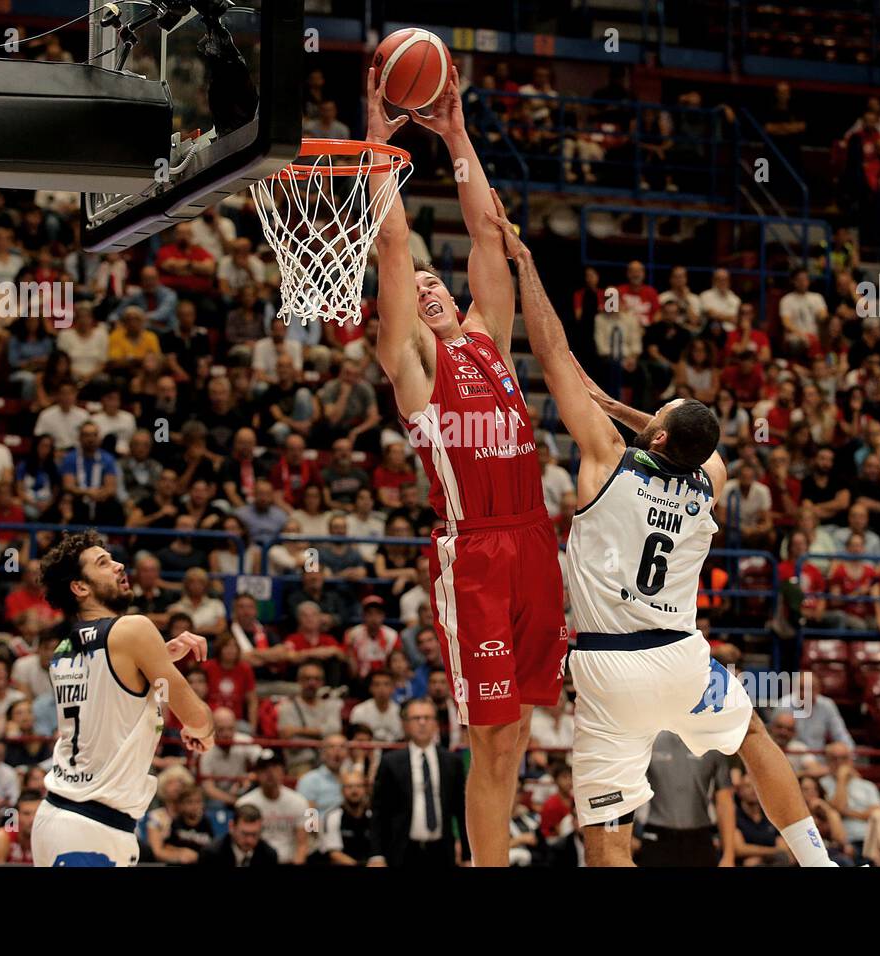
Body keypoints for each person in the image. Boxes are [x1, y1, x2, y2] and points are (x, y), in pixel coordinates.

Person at [483, 192, 835, 868]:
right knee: (754, 736)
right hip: (681, 656)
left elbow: (553, 353)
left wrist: (525, 261)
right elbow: (691, 443)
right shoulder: (712, 482)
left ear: (657, 432)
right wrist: (625, 408)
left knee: (609, 828)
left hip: (608, 663)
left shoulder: (606, 462)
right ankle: (819, 862)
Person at [367, 65, 566, 867]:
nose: (428, 286)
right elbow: (392, 245)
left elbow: (491, 239)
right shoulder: (411, 366)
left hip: (536, 542)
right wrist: (379, 142)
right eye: (416, 290)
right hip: (476, 551)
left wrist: (455, 133)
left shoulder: (487, 340)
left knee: (517, 736)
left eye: (435, 282)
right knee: (487, 739)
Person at [31, 530, 214, 866]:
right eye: (103, 562)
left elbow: (113, 689)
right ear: (80, 587)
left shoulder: (63, 650)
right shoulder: (134, 629)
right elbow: (198, 719)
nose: (117, 565)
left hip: (66, 817)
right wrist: (202, 731)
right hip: (90, 825)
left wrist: (159, 657)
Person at [367, 698, 471, 868]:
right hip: (402, 850)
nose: (422, 723)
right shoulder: (390, 762)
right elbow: (379, 812)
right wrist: (376, 854)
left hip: (442, 850)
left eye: (427, 718)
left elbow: (461, 810)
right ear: (405, 724)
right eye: (416, 718)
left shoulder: (452, 762)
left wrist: (467, 854)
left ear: (436, 724)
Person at [634, 731, 735, 867]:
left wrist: (729, 856)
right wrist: (624, 843)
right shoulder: (650, 740)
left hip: (700, 837)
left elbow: (725, 802)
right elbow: (626, 789)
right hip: (657, 837)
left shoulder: (713, 744)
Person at [197, 802, 278, 867]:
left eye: (254, 834)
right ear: (231, 827)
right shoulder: (211, 855)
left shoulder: (269, 855)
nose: (249, 840)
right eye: (244, 834)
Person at [322, 769, 374, 866]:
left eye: (359, 786)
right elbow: (334, 853)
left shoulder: (373, 815)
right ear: (342, 790)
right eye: (349, 787)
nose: (354, 791)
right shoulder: (333, 816)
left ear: (365, 789)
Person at [0, 789, 42, 864]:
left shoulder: (49, 837)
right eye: (26, 814)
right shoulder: (1, 837)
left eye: (37, 813)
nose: (32, 819)